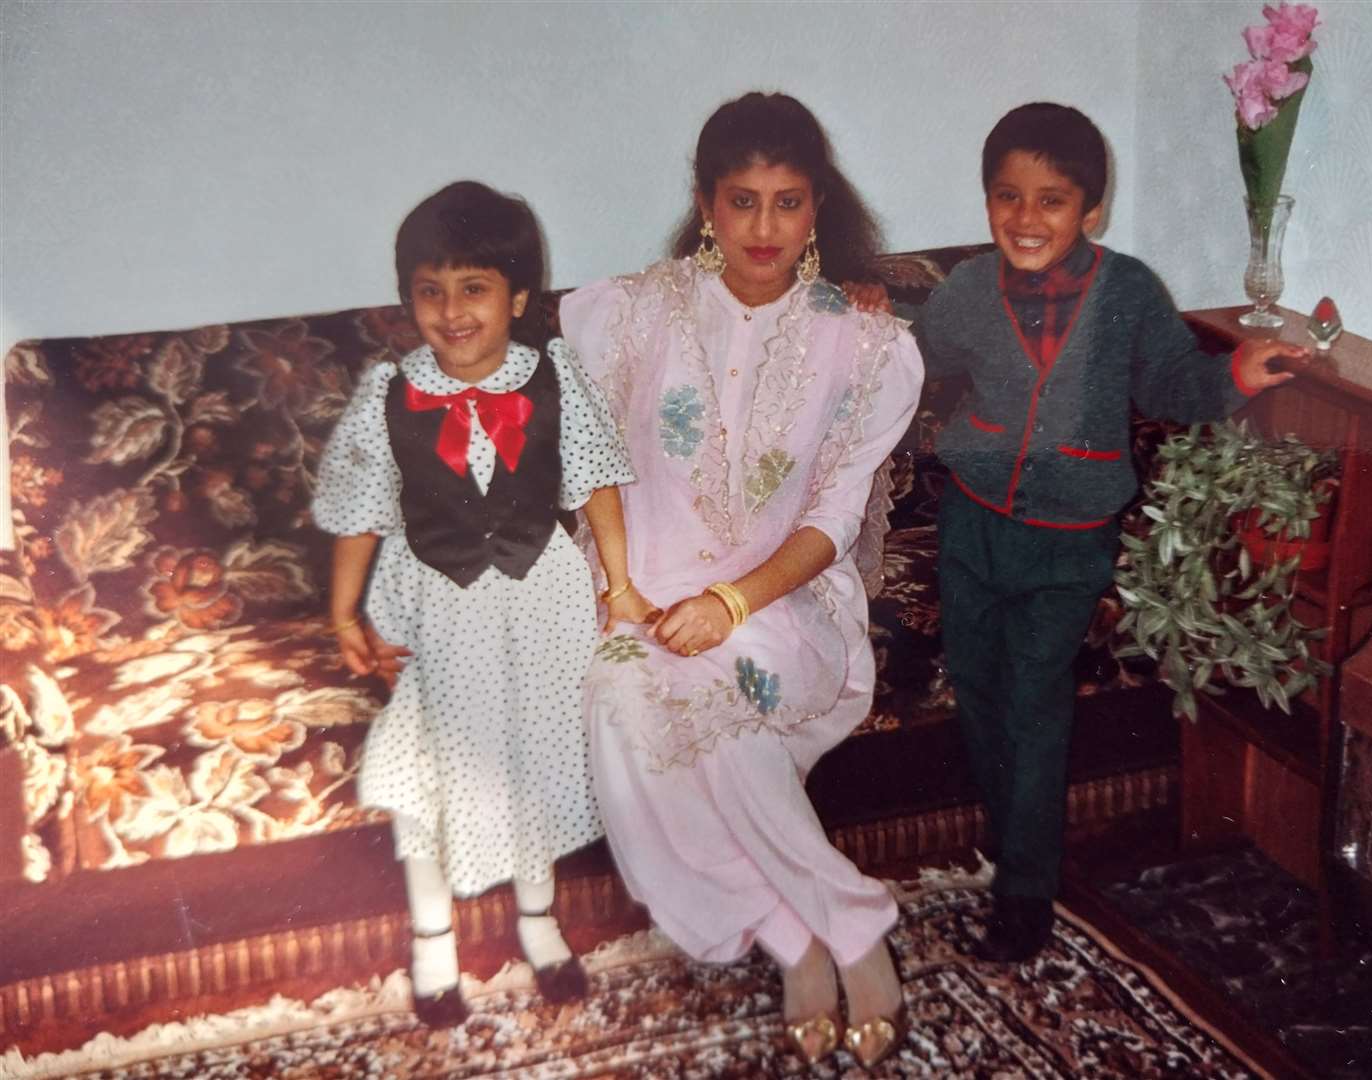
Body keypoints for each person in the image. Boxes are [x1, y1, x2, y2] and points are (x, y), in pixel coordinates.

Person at [559, 92, 923, 1071]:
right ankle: (815, 931)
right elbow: (590, 464)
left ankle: (831, 930)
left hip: (784, 613)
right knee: (618, 696)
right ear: (705, 203)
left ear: (819, 206)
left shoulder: (865, 345)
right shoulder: (629, 318)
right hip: (643, 605)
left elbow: (831, 525)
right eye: (743, 201)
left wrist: (729, 604)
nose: (765, 229)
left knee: (717, 688)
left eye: (788, 202)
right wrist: (627, 590)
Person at [895, 103, 1307, 963]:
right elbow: (910, 365)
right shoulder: (966, 293)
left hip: (1070, 536)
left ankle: (1025, 897)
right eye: (1007, 196)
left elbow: (1172, 386)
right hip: (974, 521)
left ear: (1091, 211)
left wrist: (1238, 369)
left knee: (1035, 705)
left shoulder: (1127, 292)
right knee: (978, 693)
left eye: (1051, 199)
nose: (1025, 218)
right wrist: (865, 325)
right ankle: (1014, 848)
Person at [313, 181, 649, 1026]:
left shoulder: (556, 377)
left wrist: (620, 582)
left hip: (540, 600)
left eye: (474, 288)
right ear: (407, 300)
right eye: (430, 291)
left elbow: (596, 486)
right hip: (436, 604)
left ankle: (539, 922)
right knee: (433, 765)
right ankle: (433, 940)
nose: (451, 311)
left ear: (519, 296)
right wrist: (344, 613)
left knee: (534, 755)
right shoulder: (387, 395)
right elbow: (358, 517)